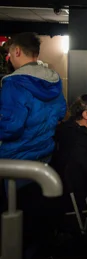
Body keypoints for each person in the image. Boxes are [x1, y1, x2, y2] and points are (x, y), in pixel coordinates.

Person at [0, 32, 66, 162]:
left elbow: (11, 128)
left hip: (15, 158)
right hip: (44, 154)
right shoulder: (53, 79)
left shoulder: (13, 83)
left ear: (17, 51)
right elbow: (61, 113)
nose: (10, 58)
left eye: (10, 54)